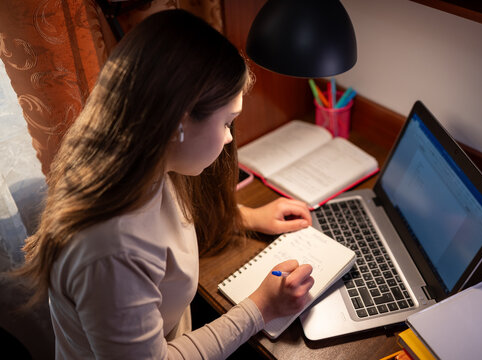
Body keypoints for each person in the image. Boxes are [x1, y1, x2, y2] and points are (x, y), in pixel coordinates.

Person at [14, 9, 314, 359]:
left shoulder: (138, 159)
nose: (229, 138)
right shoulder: (111, 251)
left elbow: (172, 224)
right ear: (178, 122)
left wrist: (243, 217)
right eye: (227, 122)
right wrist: (261, 307)